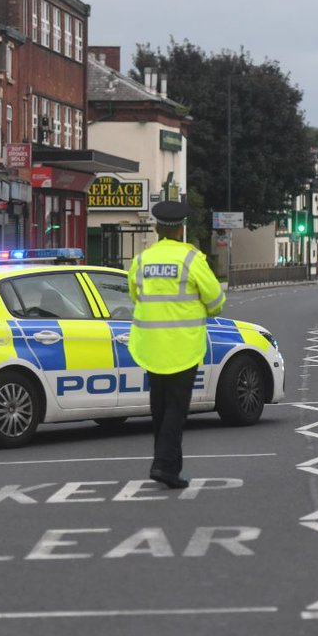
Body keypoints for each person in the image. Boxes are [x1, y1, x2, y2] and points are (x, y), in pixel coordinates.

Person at [127, 200, 225, 489]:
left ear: (157, 229)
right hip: (183, 347)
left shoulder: (142, 260)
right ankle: (164, 464)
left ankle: (168, 467)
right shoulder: (192, 259)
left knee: (159, 408)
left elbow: (135, 295)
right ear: (181, 229)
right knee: (176, 409)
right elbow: (216, 301)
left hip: (150, 346)